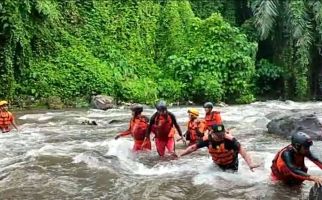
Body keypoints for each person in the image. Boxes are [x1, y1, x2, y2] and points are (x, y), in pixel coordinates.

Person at [178, 124, 260, 171]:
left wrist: (250, 164)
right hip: (217, 163)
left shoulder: (230, 140)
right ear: (212, 133)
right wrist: (181, 154)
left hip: (231, 163)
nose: (221, 136)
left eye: (222, 134)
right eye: (218, 135)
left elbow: (243, 151)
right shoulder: (207, 139)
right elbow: (193, 148)